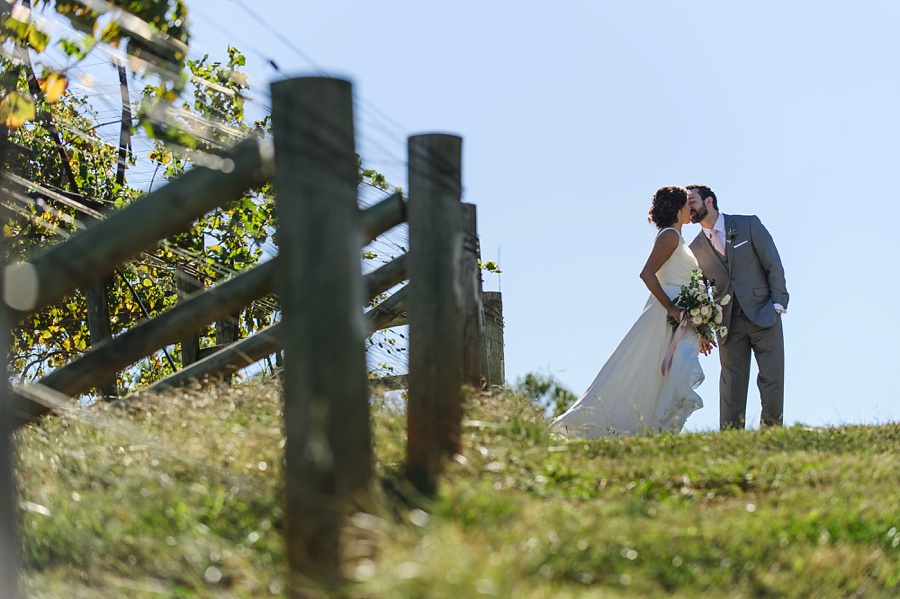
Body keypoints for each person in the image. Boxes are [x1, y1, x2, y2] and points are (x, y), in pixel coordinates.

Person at [550, 185, 703, 439]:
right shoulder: (670, 237)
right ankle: (589, 421)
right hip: (666, 315)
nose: (690, 208)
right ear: (678, 208)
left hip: (679, 317)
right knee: (641, 370)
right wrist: (672, 307)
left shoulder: (677, 236)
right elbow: (647, 273)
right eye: (687, 204)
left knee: (665, 374)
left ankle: (658, 432)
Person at [686, 184, 788, 430]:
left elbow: (772, 262)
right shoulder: (694, 248)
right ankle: (731, 436)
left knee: (772, 378)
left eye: (691, 201)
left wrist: (778, 303)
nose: (688, 207)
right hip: (727, 324)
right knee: (732, 384)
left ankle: (771, 433)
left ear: (708, 201)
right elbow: (699, 289)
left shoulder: (747, 225)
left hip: (764, 313)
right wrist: (703, 327)